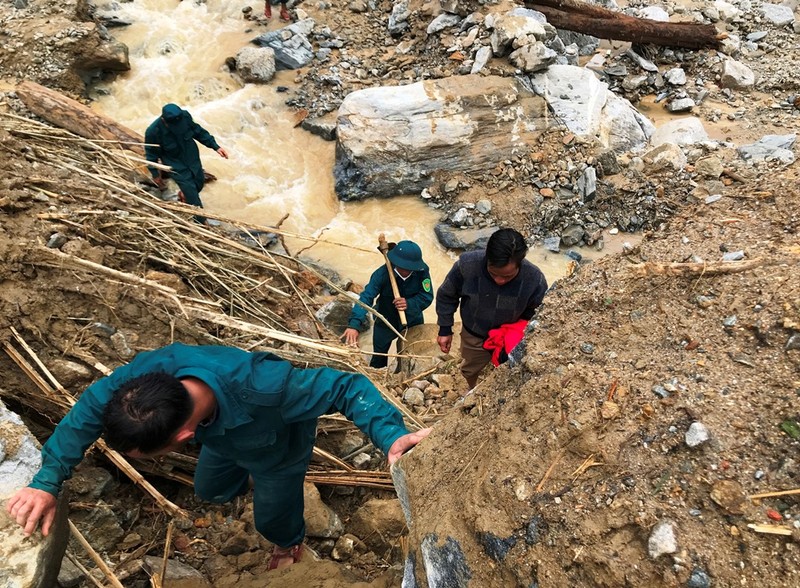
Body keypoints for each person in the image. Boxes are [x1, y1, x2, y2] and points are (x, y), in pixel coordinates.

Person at [6, 343, 431, 569]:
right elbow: (85, 415)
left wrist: (390, 435)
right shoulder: (143, 383)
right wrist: (45, 483)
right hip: (222, 440)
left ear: (184, 435)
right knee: (209, 490)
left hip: (274, 449)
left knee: (272, 519)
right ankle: (246, 486)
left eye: (151, 456)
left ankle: (290, 540)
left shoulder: (268, 387)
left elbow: (346, 386)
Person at [435, 228, 548, 389]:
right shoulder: (467, 265)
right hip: (474, 334)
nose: (499, 281)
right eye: (494, 273)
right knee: (470, 367)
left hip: (509, 338)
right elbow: (447, 295)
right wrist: (445, 329)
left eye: (507, 276)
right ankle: (471, 390)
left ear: (520, 263)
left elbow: (538, 311)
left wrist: (515, 331)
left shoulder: (534, 279)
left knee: (511, 373)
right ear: (487, 258)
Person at [343, 241, 433, 369]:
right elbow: (366, 297)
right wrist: (354, 324)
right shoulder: (381, 274)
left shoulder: (422, 272)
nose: (407, 271)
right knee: (379, 357)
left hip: (413, 319)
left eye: (410, 268)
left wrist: (409, 303)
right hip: (385, 320)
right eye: (404, 267)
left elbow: (427, 296)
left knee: (411, 355)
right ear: (396, 263)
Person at [145, 104, 229, 223]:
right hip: (176, 165)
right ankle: (201, 223)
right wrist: (155, 174)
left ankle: (183, 195)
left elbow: (198, 132)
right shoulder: (153, 132)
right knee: (192, 194)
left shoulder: (185, 116)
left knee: (199, 183)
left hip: (192, 158)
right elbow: (151, 154)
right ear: (164, 120)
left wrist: (215, 147)